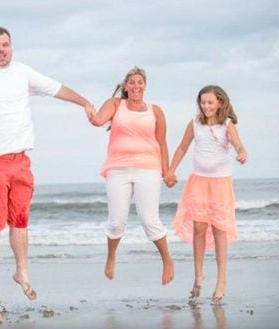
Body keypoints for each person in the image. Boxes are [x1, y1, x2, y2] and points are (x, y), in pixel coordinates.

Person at [0, 26, 95, 301]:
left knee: (20, 221)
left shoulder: (23, 73)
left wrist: (83, 102)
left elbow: (55, 88)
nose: (1, 50)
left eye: (5, 45)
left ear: (11, 46)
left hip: (21, 161)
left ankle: (21, 272)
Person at [90, 66, 174, 285]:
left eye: (140, 82)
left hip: (148, 168)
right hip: (117, 168)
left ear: (145, 85)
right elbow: (99, 120)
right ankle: (111, 258)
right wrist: (90, 113)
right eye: (132, 82)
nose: (136, 86)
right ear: (125, 86)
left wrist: (167, 171)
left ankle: (167, 261)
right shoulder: (116, 105)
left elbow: (162, 142)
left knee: (149, 220)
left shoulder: (155, 111)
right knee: (117, 221)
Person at [164, 85, 247, 304]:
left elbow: (238, 144)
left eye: (210, 102)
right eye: (203, 102)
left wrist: (241, 152)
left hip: (220, 183)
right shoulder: (195, 124)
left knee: (220, 230)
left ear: (220, 102)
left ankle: (221, 281)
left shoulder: (227, 125)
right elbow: (182, 147)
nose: (206, 106)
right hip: (198, 181)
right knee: (199, 228)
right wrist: (171, 170)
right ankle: (198, 277)